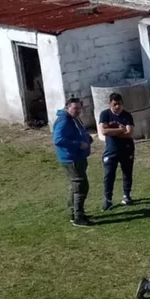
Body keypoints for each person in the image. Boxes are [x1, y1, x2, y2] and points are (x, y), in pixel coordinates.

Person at [52, 96, 94, 227]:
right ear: (67, 107)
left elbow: (77, 132)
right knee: (81, 187)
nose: (78, 111)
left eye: (79, 108)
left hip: (77, 157)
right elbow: (58, 140)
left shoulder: (73, 119)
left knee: (74, 186)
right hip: (72, 159)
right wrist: (78, 144)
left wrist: (87, 138)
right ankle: (78, 217)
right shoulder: (64, 120)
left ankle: (74, 213)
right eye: (75, 108)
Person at [98, 93, 135, 210]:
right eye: (115, 104)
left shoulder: (127, 116)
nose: (117, 107)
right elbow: (104, 132)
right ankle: (108, 199)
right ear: (110, 104)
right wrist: (120, 130)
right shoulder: (105, 114)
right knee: (109, 174)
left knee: (127, 173)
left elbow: (129, 133)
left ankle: (126, 195)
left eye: (119, 104)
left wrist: (112, 131)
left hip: (127, 149)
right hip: (111, 150)